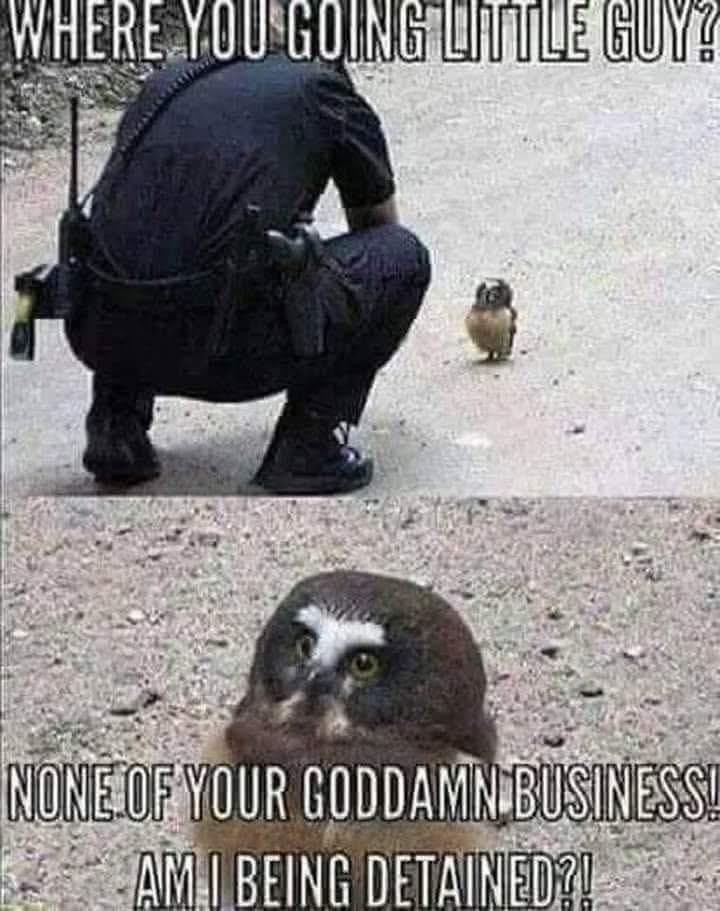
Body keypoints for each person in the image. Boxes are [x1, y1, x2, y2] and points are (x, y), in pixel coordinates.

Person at [65, 3, 431, 495]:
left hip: (98, 335)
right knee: (403, 258)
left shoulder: (163, 86)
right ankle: (309, 446)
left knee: (150, 241)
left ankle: (116, 428)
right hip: (223, 351)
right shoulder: (322, 88)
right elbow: (378, 229)